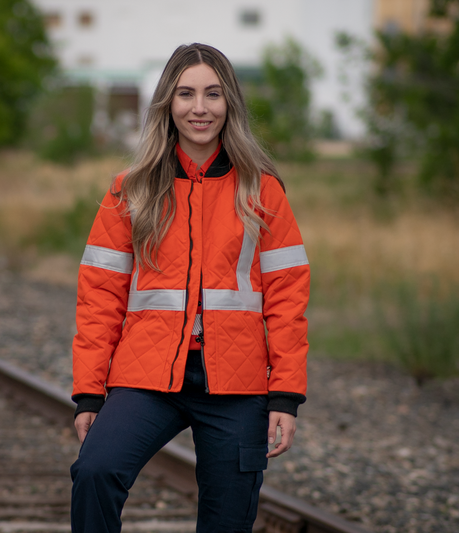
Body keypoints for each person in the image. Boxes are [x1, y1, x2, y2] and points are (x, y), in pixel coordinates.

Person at [70, 43, 310, 533]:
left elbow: (287, 298)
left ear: (230, 104)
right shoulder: (129, 189)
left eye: (213, 94)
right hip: (148, 376)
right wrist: (90, 394)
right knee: (95, 470)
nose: (199, 108)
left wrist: (285, 395)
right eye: (185, 94)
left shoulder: (262, 190)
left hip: (237, 384)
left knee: (227, 517)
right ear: (167, 103)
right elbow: (100, 297)